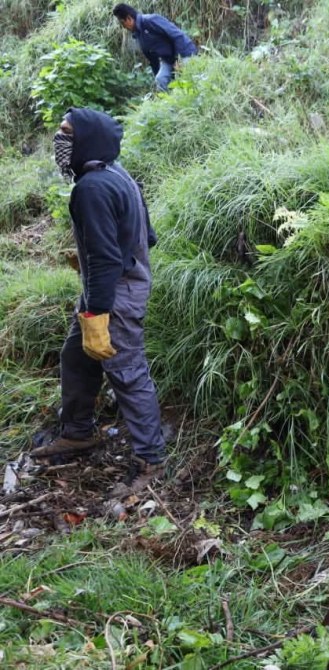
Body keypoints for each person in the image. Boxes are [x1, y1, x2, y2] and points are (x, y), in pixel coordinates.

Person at [32, 107, 167, 498]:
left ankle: (151, 460)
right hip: (109, 286)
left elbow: (106, 258)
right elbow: (147, 234)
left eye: (67, 134)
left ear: (86, 140)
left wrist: (97, 312)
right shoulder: (116, 173)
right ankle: (78, 432)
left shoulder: (91, 188)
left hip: (114, 293)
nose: (60, 141)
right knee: (76, 357)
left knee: (127, 371)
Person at [112, 3, 197, 92]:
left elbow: (177, 36)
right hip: (168, 60)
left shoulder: (151, 20)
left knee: (183, 77)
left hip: (185, 53)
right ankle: (168, 100)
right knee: (160, 79)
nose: (124, 27)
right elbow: (152, 60)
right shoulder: (138, 35)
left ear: (129, 18)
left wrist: (178, 60)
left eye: (123, 23)